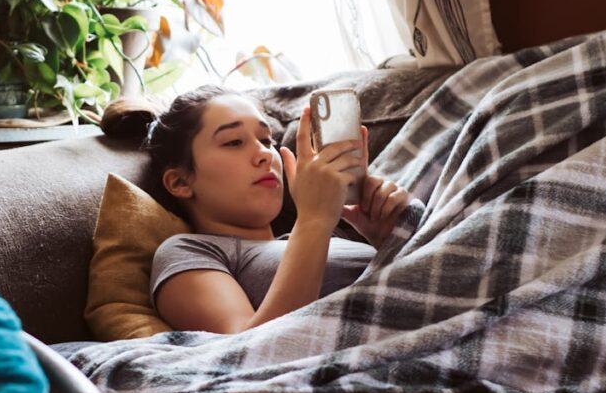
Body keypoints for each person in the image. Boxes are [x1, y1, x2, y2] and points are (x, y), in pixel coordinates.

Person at [127, 85, 412, 335]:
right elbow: (247, 352)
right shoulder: (188, 251)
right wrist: (313, 221)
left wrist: (386, 237)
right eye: (234, 142)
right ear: (179, 182)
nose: (265, 153)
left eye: (266, 140)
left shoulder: (329, 233)